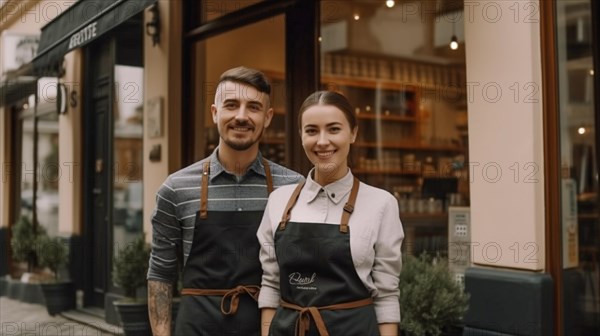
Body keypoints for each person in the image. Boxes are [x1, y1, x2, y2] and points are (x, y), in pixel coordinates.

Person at [147, 66, 304, 336]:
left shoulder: (294, 188)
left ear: (267, 118)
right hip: (196, 328)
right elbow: (161, 275)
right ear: (214, 112)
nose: (241, 116)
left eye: (253, 107)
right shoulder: (176, 189)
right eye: (231, 105)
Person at [257, 90, 404, 336]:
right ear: (301, 136)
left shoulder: (382, 204)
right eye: (312, 130)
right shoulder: (278, 201)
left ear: (353, 133)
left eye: (334, 129)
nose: (322, 141)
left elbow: (387, 296)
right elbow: (271, 287)